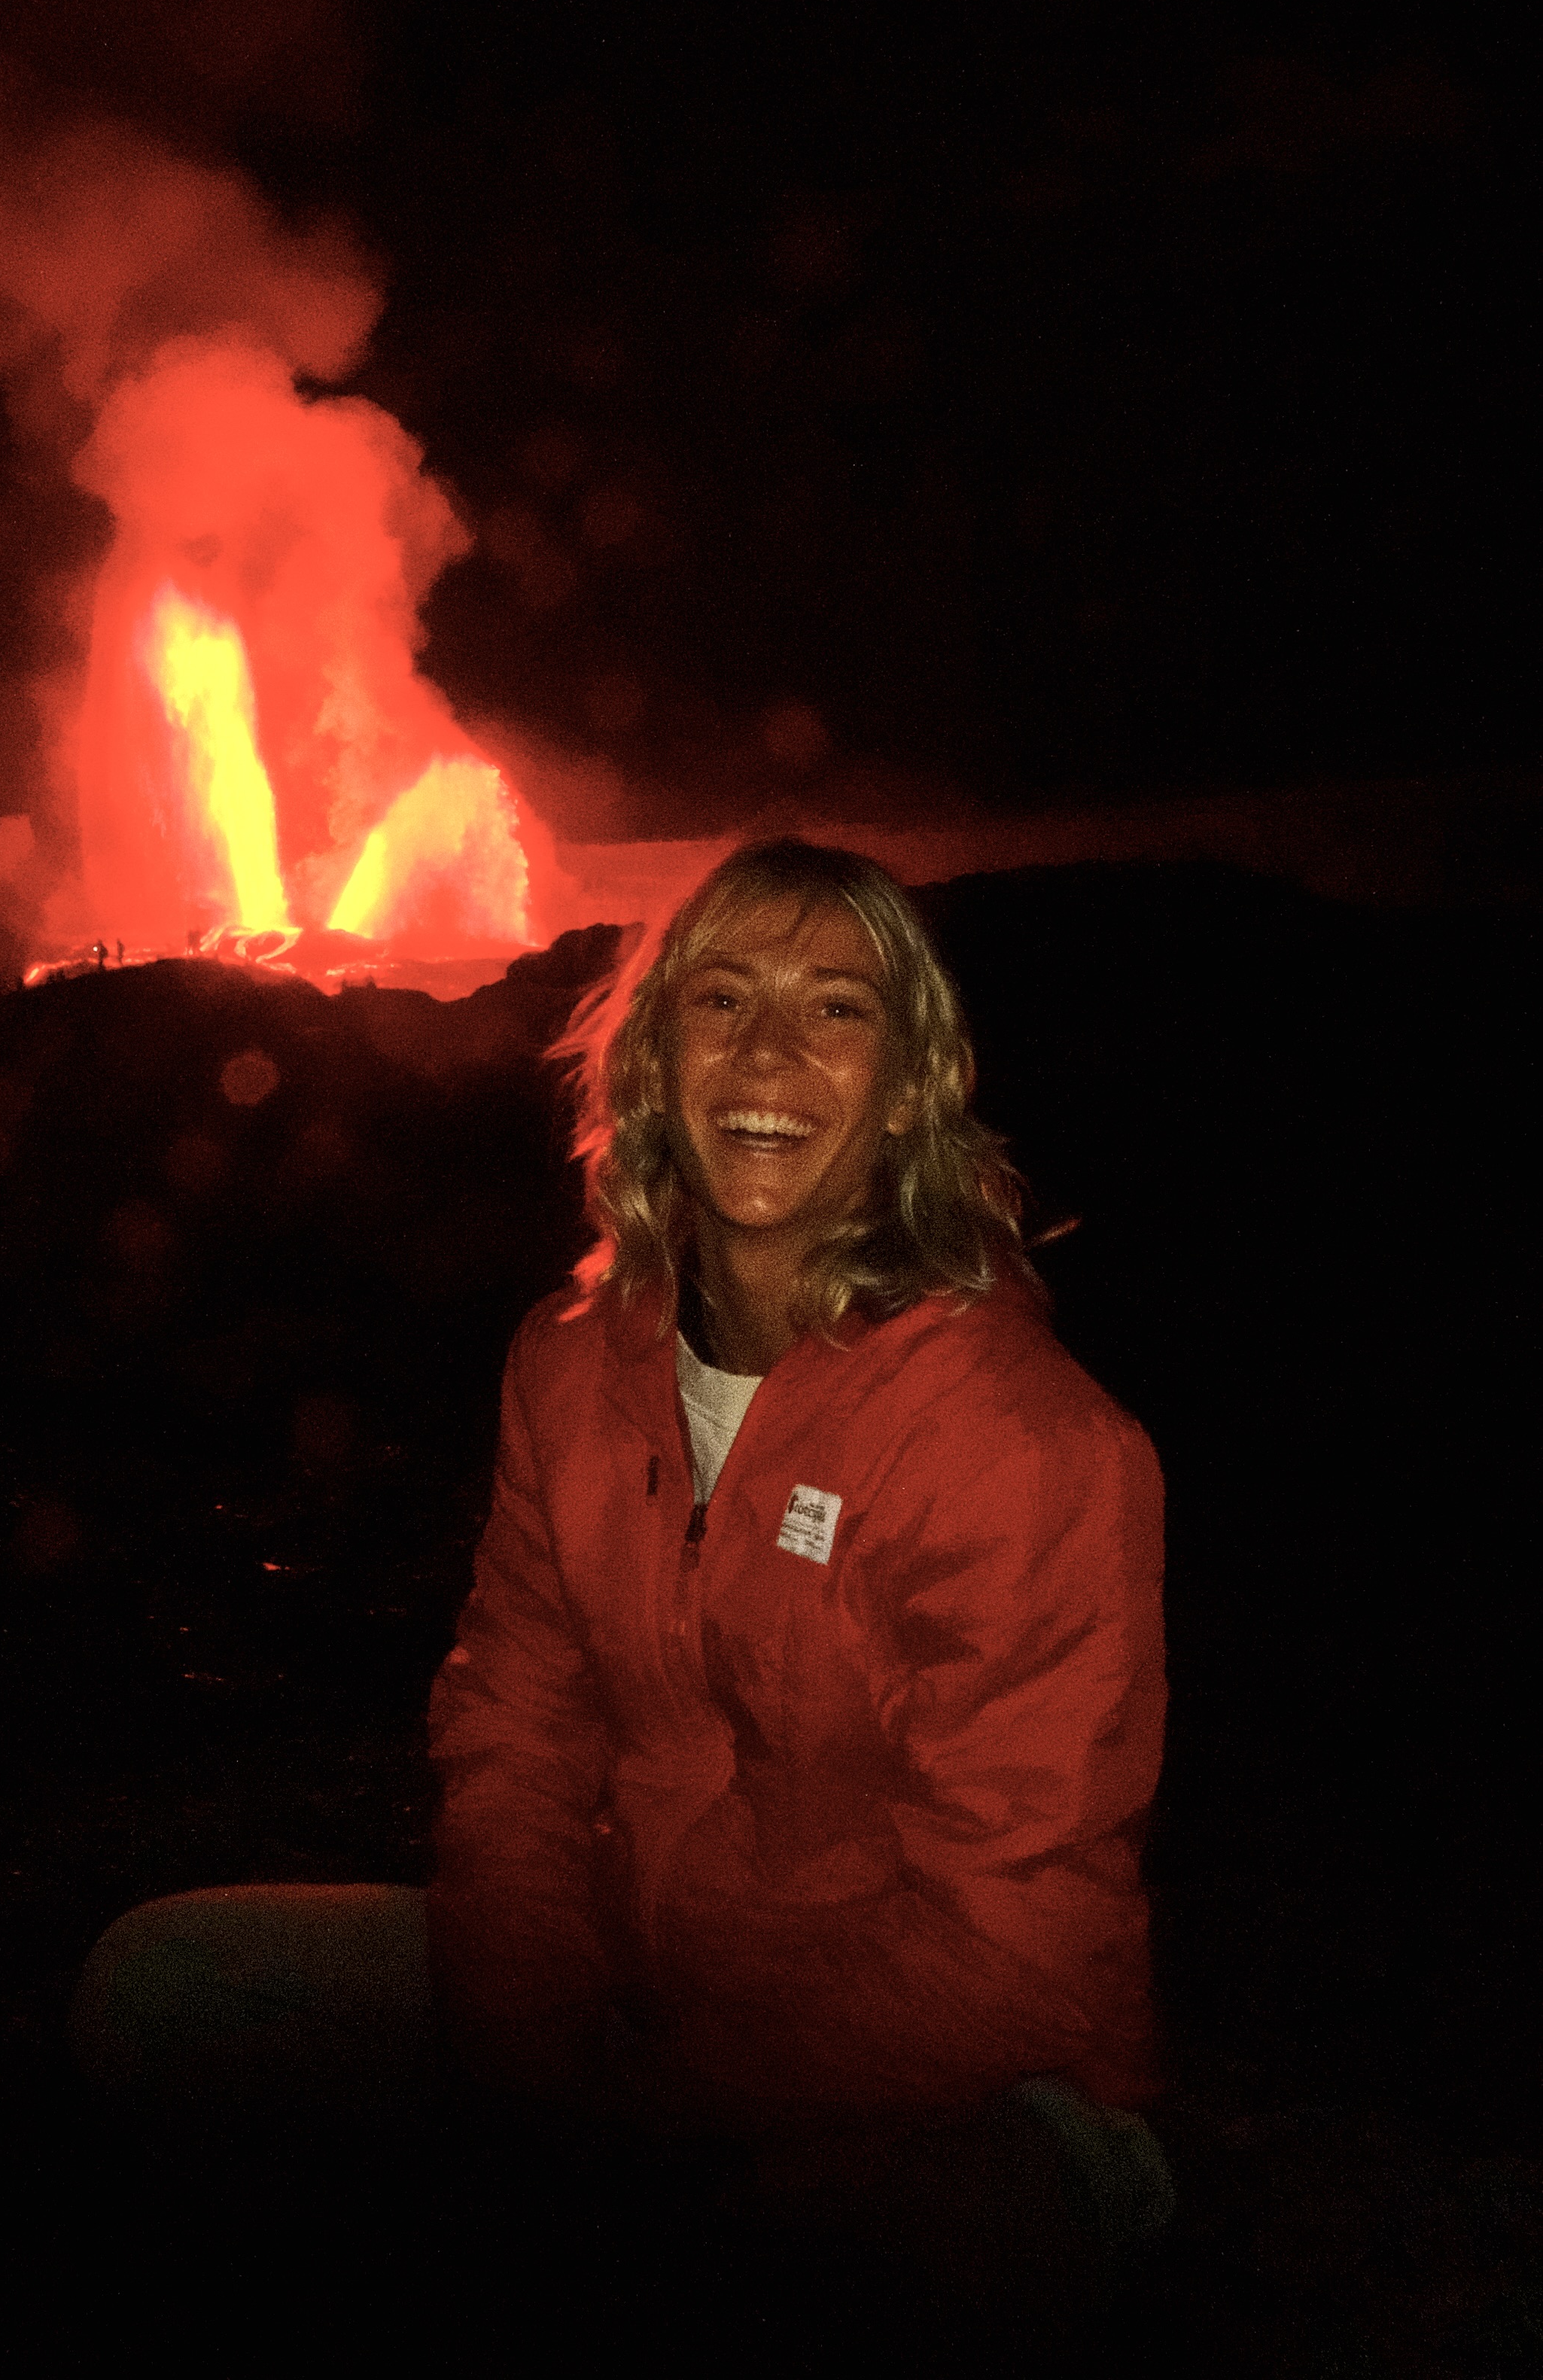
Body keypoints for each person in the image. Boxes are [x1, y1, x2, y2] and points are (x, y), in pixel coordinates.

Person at [70, 839, 1173, 2351]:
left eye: (835, 1008)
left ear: (908, 1089)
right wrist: (527, 2029)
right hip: (620, 1985)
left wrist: (646, 2094)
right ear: (651, 1063)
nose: (766, 1051)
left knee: (749, 2271)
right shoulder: (570, 1369)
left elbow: (1016, 1952)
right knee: (169, 1989)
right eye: (720, 999)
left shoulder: (1022, 1445)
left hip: (955, 2076)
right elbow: (515, 1725)